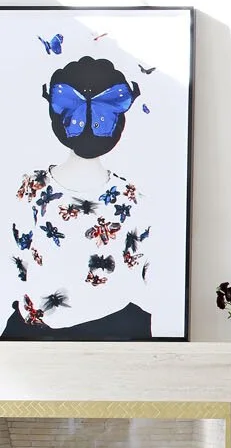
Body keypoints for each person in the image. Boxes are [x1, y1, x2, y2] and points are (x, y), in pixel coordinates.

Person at [3, 56, 151, 340]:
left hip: (49, 337)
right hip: (111, 331)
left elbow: (17, 258)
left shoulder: (31, 188)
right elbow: (138, 266)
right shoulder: (132, 197)